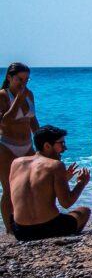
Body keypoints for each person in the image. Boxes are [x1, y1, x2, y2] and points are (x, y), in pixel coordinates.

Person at [9, 125, 90, 242]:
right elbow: (66, 203)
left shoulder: (16, 163)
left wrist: (63, 179)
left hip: (20, 231)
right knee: (84, 211)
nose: (65, 148)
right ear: (47, 146)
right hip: (49, 228)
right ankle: (70, 235)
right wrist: (81, 183)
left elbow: (29, 192)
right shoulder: (55, 165)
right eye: (61, 144)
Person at [1, 63, 39, 233]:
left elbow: (32, 119)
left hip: (27, 145)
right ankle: (10, 229)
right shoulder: (3, 96)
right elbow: (5, 121)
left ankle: (27, 221)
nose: (23, 83)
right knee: (9, 188)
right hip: (7, 146)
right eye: (19, 79)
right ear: (9, 77)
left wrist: (40, 139)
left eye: (26, 79)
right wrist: (18, 99)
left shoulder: (29, 94)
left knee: (31, 185)